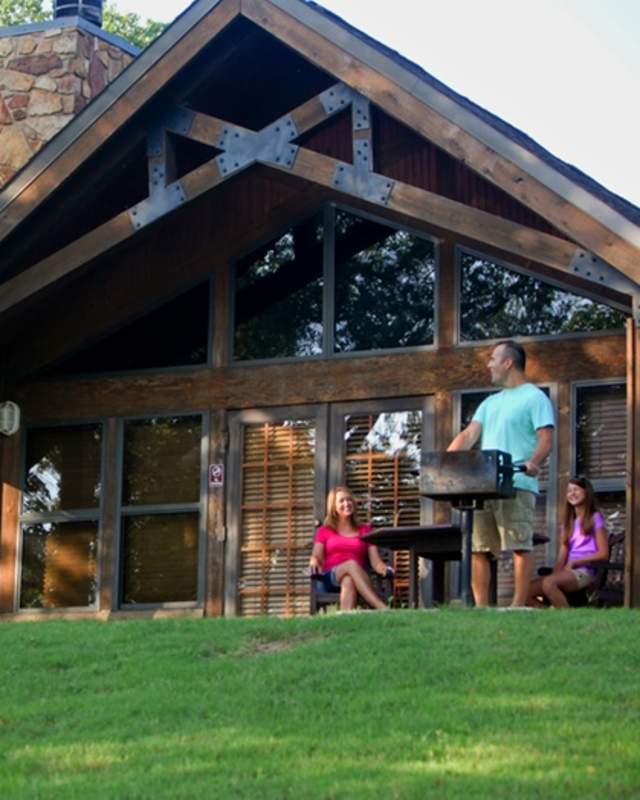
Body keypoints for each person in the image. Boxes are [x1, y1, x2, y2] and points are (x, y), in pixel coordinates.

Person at [447, 340, 554, 607]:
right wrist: (444, 462)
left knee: (519, 545)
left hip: (516, 482)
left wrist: (534, 461)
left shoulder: (534, 397)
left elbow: (546, 438)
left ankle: (518, 606)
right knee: (478, 548)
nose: (489, 364)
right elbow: (469, 434)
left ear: (509, 362)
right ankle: (482, 607)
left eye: (493, 358)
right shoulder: (489, 403)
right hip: (483, 485)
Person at [527, 476, 608, 608]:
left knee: (549, 583)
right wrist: (555, 574)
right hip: (567, 572)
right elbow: (561, 556)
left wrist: (576, 561)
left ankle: (567, 618)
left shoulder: (595, 518)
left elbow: (603, 554)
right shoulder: (568, 524)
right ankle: (551, 615)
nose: (572, 494)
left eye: (576, 490)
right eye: (569, 491)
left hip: (584, 572)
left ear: (586, 492)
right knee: (526, 591)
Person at [309, 486, 392, 611]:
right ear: (333, 507)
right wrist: (314, 562)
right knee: (350, 565)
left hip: (357, 577)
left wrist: (384, 569)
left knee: (348, 580)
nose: (347, 503)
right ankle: (382, 608)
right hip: (331, 578)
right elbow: (317, 556)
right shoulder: (324, 531)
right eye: (341, 501)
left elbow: (376, 562)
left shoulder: (365, 530)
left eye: (349, 500)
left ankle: (345, 622)